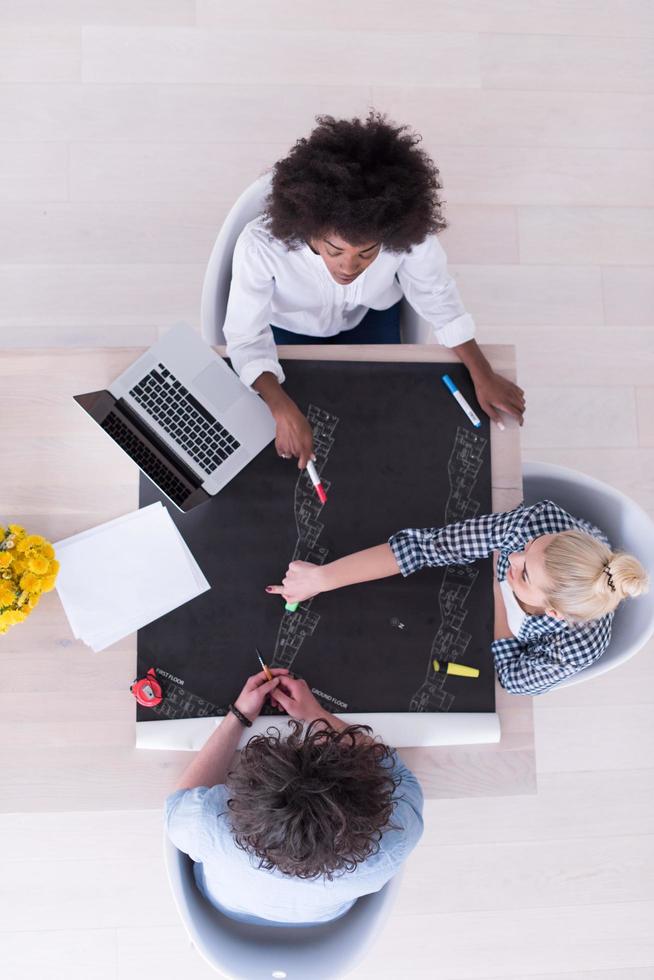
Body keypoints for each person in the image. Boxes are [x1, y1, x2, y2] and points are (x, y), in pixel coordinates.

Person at [223, 112, 525, 467]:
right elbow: (245, 337)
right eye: (335, 251)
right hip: (288, 327)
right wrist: (280, 406)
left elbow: (435, 293)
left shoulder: (404, 233)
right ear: (309, 227)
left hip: (370, 316)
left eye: (367, 253)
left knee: (382, 420)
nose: (349, 268)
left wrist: (482, 371)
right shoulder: (261, 246)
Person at [266, 500, 649, 696]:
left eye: (525, 573)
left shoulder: (578, 648)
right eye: (531, 548)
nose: (514, 554)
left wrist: (500, 599)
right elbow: (428, 547)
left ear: (551, 610)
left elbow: (514, 679)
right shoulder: (533, 524)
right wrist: (322, 577)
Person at [165, 669, 423, 925]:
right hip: (321, 916)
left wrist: (239, 716)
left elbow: (178, 804)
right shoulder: (395, 839)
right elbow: (393, 769)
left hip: (231, 907)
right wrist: (316, 714)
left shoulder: (208, 825)